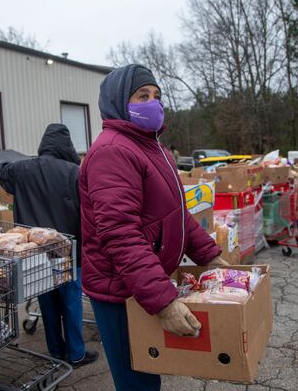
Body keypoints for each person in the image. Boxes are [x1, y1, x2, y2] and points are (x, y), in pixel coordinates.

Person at [79, 64, 227, 391]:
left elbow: (177, 213)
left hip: (141, 284)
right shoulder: (112, 150)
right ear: (119, 102)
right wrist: (163, 301)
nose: (153, 103)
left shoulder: (152, 147)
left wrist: (210, 255)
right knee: (138, 383)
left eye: (157, 96)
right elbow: (121, 234)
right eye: (142, 96)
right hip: (120, 291)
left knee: (149, 375)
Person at [0, 123, 98, 367]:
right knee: (71, 303)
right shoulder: (75, 172)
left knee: (48, 303)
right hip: (68, 251)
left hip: (34, 252)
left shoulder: (21, 170)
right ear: (67, 146)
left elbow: (2, 173)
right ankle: (76, 354)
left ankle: (55, 352)